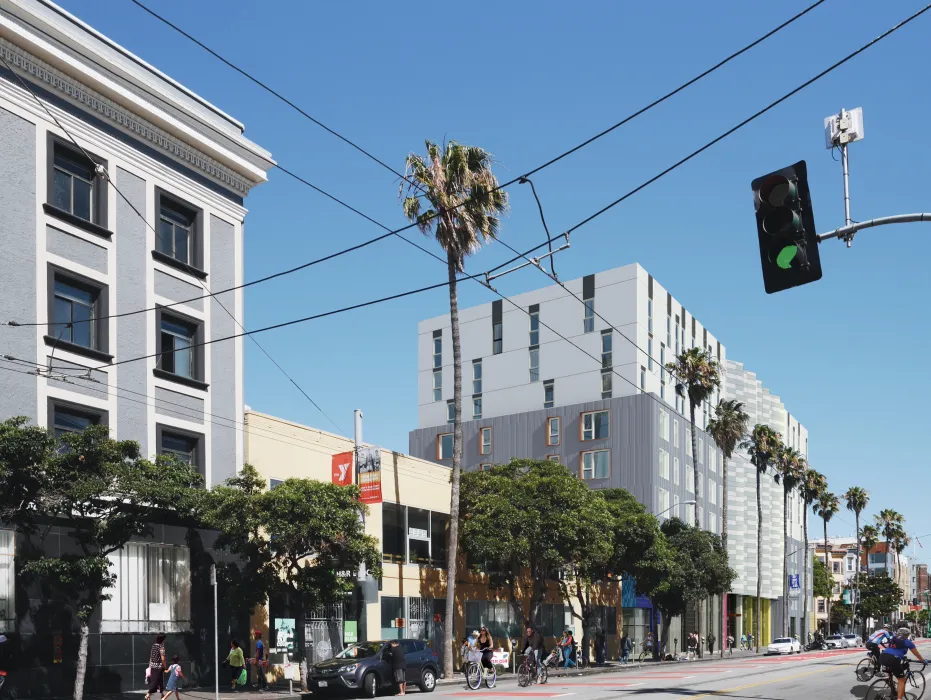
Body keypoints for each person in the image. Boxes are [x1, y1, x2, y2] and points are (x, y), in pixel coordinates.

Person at [879, 628, 926, 700]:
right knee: (901, 679)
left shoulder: (893, 639)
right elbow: (917, 654)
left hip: (882, 657)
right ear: (907, 635)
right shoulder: (907, 642)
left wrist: (901, 657)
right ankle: (899, 698)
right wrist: (923, 661)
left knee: (893, 669)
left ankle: (889, 681)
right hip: (893, 659)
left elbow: (893, 650)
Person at [145, 633, 167, 700]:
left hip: (153, 666)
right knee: (155, 682)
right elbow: (163, 659)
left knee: (160, 681)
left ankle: (162, 695)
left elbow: (151, 656)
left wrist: (150, 665)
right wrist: (165, 666)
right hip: (159, 667)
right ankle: (147, 695)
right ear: (163, 640)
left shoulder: (154, 646)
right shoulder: (161, 648)